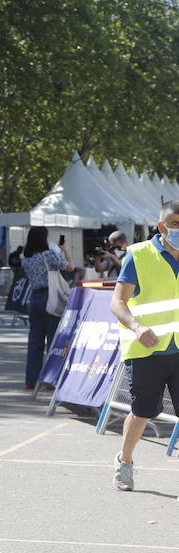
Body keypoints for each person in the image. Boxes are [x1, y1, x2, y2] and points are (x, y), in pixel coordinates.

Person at [109, 202, 179, 493]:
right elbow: (117, 302)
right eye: (176, 224)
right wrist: (137, 328)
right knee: (142, 413)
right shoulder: (138, 255)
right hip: (147, 350)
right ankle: (125, 460)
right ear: (161, 227)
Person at [21, 226, 75, 389]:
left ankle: (31, 380)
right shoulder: (49, 255)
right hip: (50, 298)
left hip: (35, 298)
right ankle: (51, 379)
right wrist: (65, 250)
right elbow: (70, 267)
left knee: (35, 342)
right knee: (53, 340)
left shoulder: (26, 259)